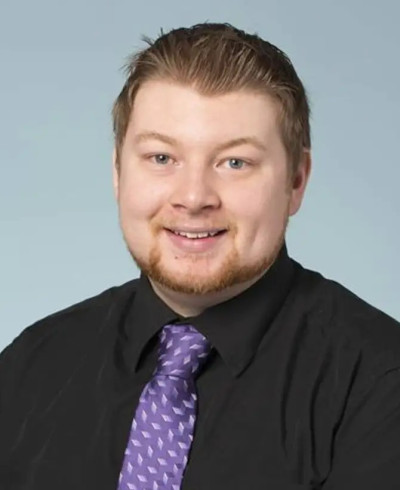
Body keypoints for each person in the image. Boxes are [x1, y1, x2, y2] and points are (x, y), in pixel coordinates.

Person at [1, 22, 399, 490]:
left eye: (235, 162)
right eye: (161, 158)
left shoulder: (377, 384)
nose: (193, 198)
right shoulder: (30, 365)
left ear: (296, 181)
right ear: (117, 172)